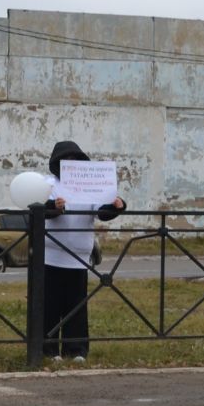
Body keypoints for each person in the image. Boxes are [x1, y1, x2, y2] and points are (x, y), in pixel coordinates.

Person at [40, 139, 125, 362]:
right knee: (49, 305)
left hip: (79, 257)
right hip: (51, 255)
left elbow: (101, 212)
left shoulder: (90, 185)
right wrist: (54, 207)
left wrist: (117, 207)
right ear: (57, 163)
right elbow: (40, 211)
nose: (71, 163)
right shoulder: (48, 184)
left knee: (76, 306)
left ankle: (76, 349)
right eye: (66, 160)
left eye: (75, 159)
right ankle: (48, 349)